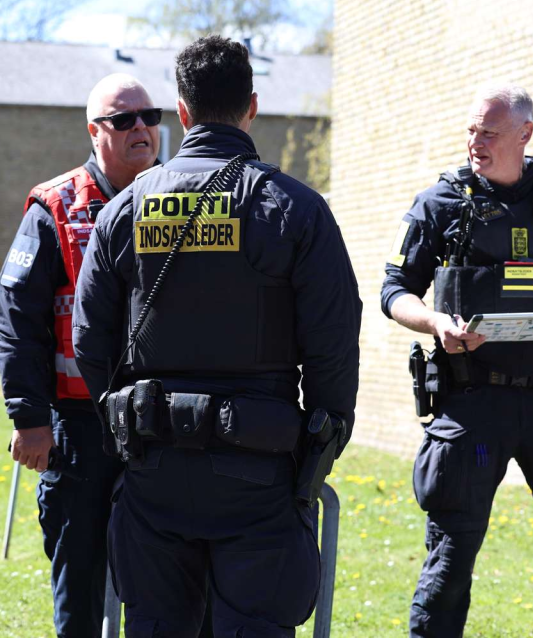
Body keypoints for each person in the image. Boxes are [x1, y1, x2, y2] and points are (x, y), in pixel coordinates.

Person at [72, 35, 362, 638]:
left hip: (154, 471)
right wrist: (322, 440)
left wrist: (123, 419)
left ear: (181, 112)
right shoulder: (296, 209)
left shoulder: (124, 210)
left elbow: (90, 338)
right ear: (251, 106)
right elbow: (333, 339)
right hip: (259, 471)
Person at [382, 84, 533, 638]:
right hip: (471, 406)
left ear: (525, 134)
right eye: (471, 130)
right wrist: (436, 323)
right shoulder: (439, 204)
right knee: (447, 572)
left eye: (489, 132)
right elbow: (395, 290)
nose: (476, 141)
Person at [0, 74, 161, 637]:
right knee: (81, 586)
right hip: (81, 429)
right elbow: (14, 320)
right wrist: (29, 419)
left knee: (166, 585)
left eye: (151, 116)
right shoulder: (56, 207)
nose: (142, 128)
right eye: (124, 119)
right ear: (94, 131)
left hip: (162, 426)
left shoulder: (179, 200)